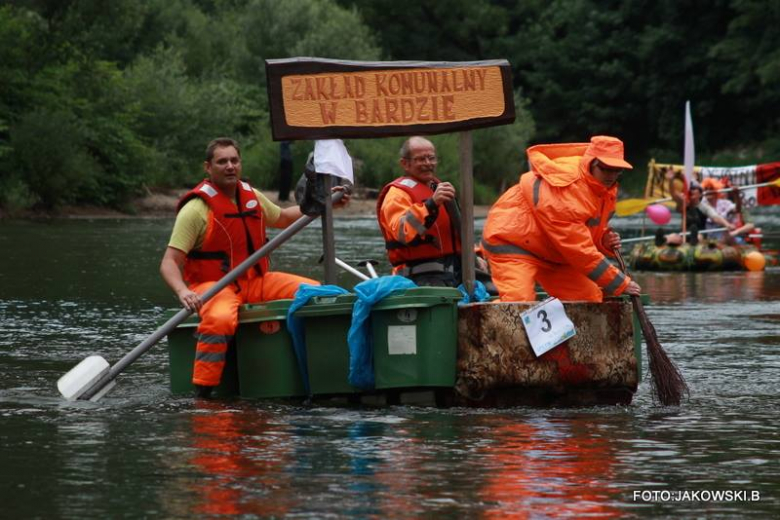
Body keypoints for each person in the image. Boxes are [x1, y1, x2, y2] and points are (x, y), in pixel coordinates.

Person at [160, 137, 349, 397]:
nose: (230, 166)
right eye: (222, 161)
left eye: (234, 160)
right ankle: (204, 393)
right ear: (208, 167)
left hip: (256, 281)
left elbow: (282, 218)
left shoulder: (252, 196)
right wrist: (183, 292)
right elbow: (170, 261)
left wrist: (326, 204)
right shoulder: (195, 209)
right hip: (214, 285)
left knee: (317, 294)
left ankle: (323, 374)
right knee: (220, 319)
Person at [481, 135, 641, 302]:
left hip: (554, 251)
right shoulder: (569, 188)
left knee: (589, 299)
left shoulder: (605, 189)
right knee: (518, 302)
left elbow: (583, 229)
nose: (611, 175)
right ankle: (480, 322)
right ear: (591, 163)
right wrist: (619, 283)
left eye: (617, 170)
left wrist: (602, 240)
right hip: (513, 242)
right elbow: (579, 250)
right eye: (605, 168)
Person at [376, 136, 463, 287]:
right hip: (418, 278)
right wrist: (431, 205)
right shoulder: (396, 195)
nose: (428, 163)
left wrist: (474, 257)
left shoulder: (437, 187)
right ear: (405, 163)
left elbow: (455, 231)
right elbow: (403, 232)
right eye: (421, 159)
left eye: (431, 158)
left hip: (454, 270)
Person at [670, 181, 734, 245]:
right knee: (672, 238)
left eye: (694, 189)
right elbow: (674, 194)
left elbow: (715, 217)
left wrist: (727, 224)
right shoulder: (684, 204)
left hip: (700, 234)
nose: (691, 191)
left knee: (698, 237)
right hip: (684, 234)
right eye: (690, 189)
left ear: (700, 194)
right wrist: (671, 180)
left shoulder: (703, 207)